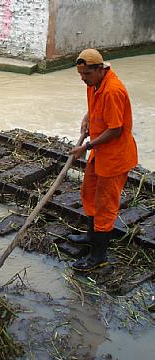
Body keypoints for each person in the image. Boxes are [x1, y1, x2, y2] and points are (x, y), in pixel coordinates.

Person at [69, 49, 137, 272]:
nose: (82, 79)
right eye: (80, 74)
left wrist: (86, 146)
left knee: (105, 205)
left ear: (100, 69)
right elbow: (95, 106)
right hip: (100, 153)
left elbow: (116, 130)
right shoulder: (94, 84)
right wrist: (88, 117)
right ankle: (91, 236)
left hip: (114, 157)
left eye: (86, 74)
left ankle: (98, 257)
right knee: (89, 192)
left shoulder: (113, 91)